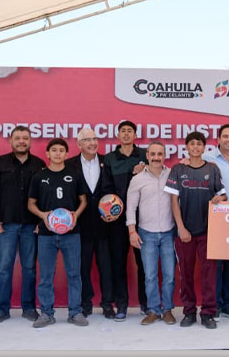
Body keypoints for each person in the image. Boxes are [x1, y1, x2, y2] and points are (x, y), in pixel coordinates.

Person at [0, 124, 45, 323]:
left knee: (29, 268)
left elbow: (43, 197)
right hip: (5, 225)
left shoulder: (39, 164)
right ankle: (2, 309)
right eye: (17, 138)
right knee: (4, 267)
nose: (21, 141)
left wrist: (40, 222)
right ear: (11, 141)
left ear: (30, 141)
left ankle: (28, 308)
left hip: (30, 226)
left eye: (25, 138)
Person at [165, 131, 226, 329]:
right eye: (192, 144)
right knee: (186, 274)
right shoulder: (178, 169)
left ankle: (208, 312)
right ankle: (189, 311)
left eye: (199, 144)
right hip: (185, 232)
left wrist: (219, 199)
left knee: (210, 274)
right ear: (187, 147)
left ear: (204, 147)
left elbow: (222, 195)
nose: (195, 147)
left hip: (208, 230)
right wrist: (181, 227)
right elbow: (173, 200)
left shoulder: (212, 169)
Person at [27, 138, 88, 328]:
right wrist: (43, 215)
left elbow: (83, 201)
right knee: (46, 275)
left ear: (66, 154)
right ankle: (46, 313)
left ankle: (75, 312)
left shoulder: (75, 174)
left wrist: (75, 216)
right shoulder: (39, 177)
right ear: (47, 154)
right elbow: (31, 204)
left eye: (62, 150)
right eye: (54, 150)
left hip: (71, 232)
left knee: (74, 274)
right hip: (46, 233)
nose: (58, 153)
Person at [65, 126, 117, 318]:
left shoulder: (107, 162)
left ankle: (107, 304)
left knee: (106, 266)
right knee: (83, 267)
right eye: (87, 140)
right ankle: (85, 303)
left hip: (105, 225)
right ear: (79, 144)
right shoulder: (69, 165)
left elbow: (115, 190)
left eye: (95, 139)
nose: (92, 142)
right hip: (80, 226)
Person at [127, 141, 176, 325]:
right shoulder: (137, 179)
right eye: (153, 154)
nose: (156, 157)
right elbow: (131, 207)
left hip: (168, 232)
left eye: (160, 154)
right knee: (150, 275)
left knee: (169, 275)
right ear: (147, 155)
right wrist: (132, 231)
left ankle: (168, 310)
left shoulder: (172, 175)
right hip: (146, 233)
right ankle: (154, 310)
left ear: (164, 155)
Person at [102, 120, 148, 319]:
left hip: (143, 219)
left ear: (135, 135)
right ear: (118, 135)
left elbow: (158, 175)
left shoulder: (145, 155)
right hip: (117, 220)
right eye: (123, 131)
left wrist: (143, 169)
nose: (127, 134)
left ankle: (147, 304)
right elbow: (106, 188)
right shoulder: (110, 158)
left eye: (130, 131)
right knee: (118, 263)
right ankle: (121, 305)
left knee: (144, 264)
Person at [202, 123, 229, 320]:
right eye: (225, 136)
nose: (228, 139)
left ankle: (227, 303)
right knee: (216, 264)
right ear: (218, 139)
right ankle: (216, 305)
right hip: (216, 217)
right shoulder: (206, 158)